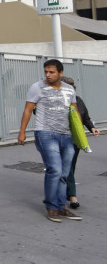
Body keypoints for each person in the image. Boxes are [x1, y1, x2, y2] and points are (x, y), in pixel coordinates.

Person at [17, 59, 81, 222]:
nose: (48, 75)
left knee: (65, 173)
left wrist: (80, 135)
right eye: (46, 71)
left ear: (61, 73)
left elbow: (74, 112)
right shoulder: (37, 87)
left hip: (67, 135)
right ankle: (51, 206)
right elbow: (28, 110)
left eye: (52, 72)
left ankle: (60, 207)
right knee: (55, 170)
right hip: (45, 134)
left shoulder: (69, 90)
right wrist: (22, 132)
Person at [60, 76, 100, 209]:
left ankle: (65, 191)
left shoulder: (78, 101)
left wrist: (92, 128)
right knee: (65, 167)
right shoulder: (54, 102)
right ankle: (72, 196)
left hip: (75, 139)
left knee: (70, 166)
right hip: (58, 138)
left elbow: (86, 117)